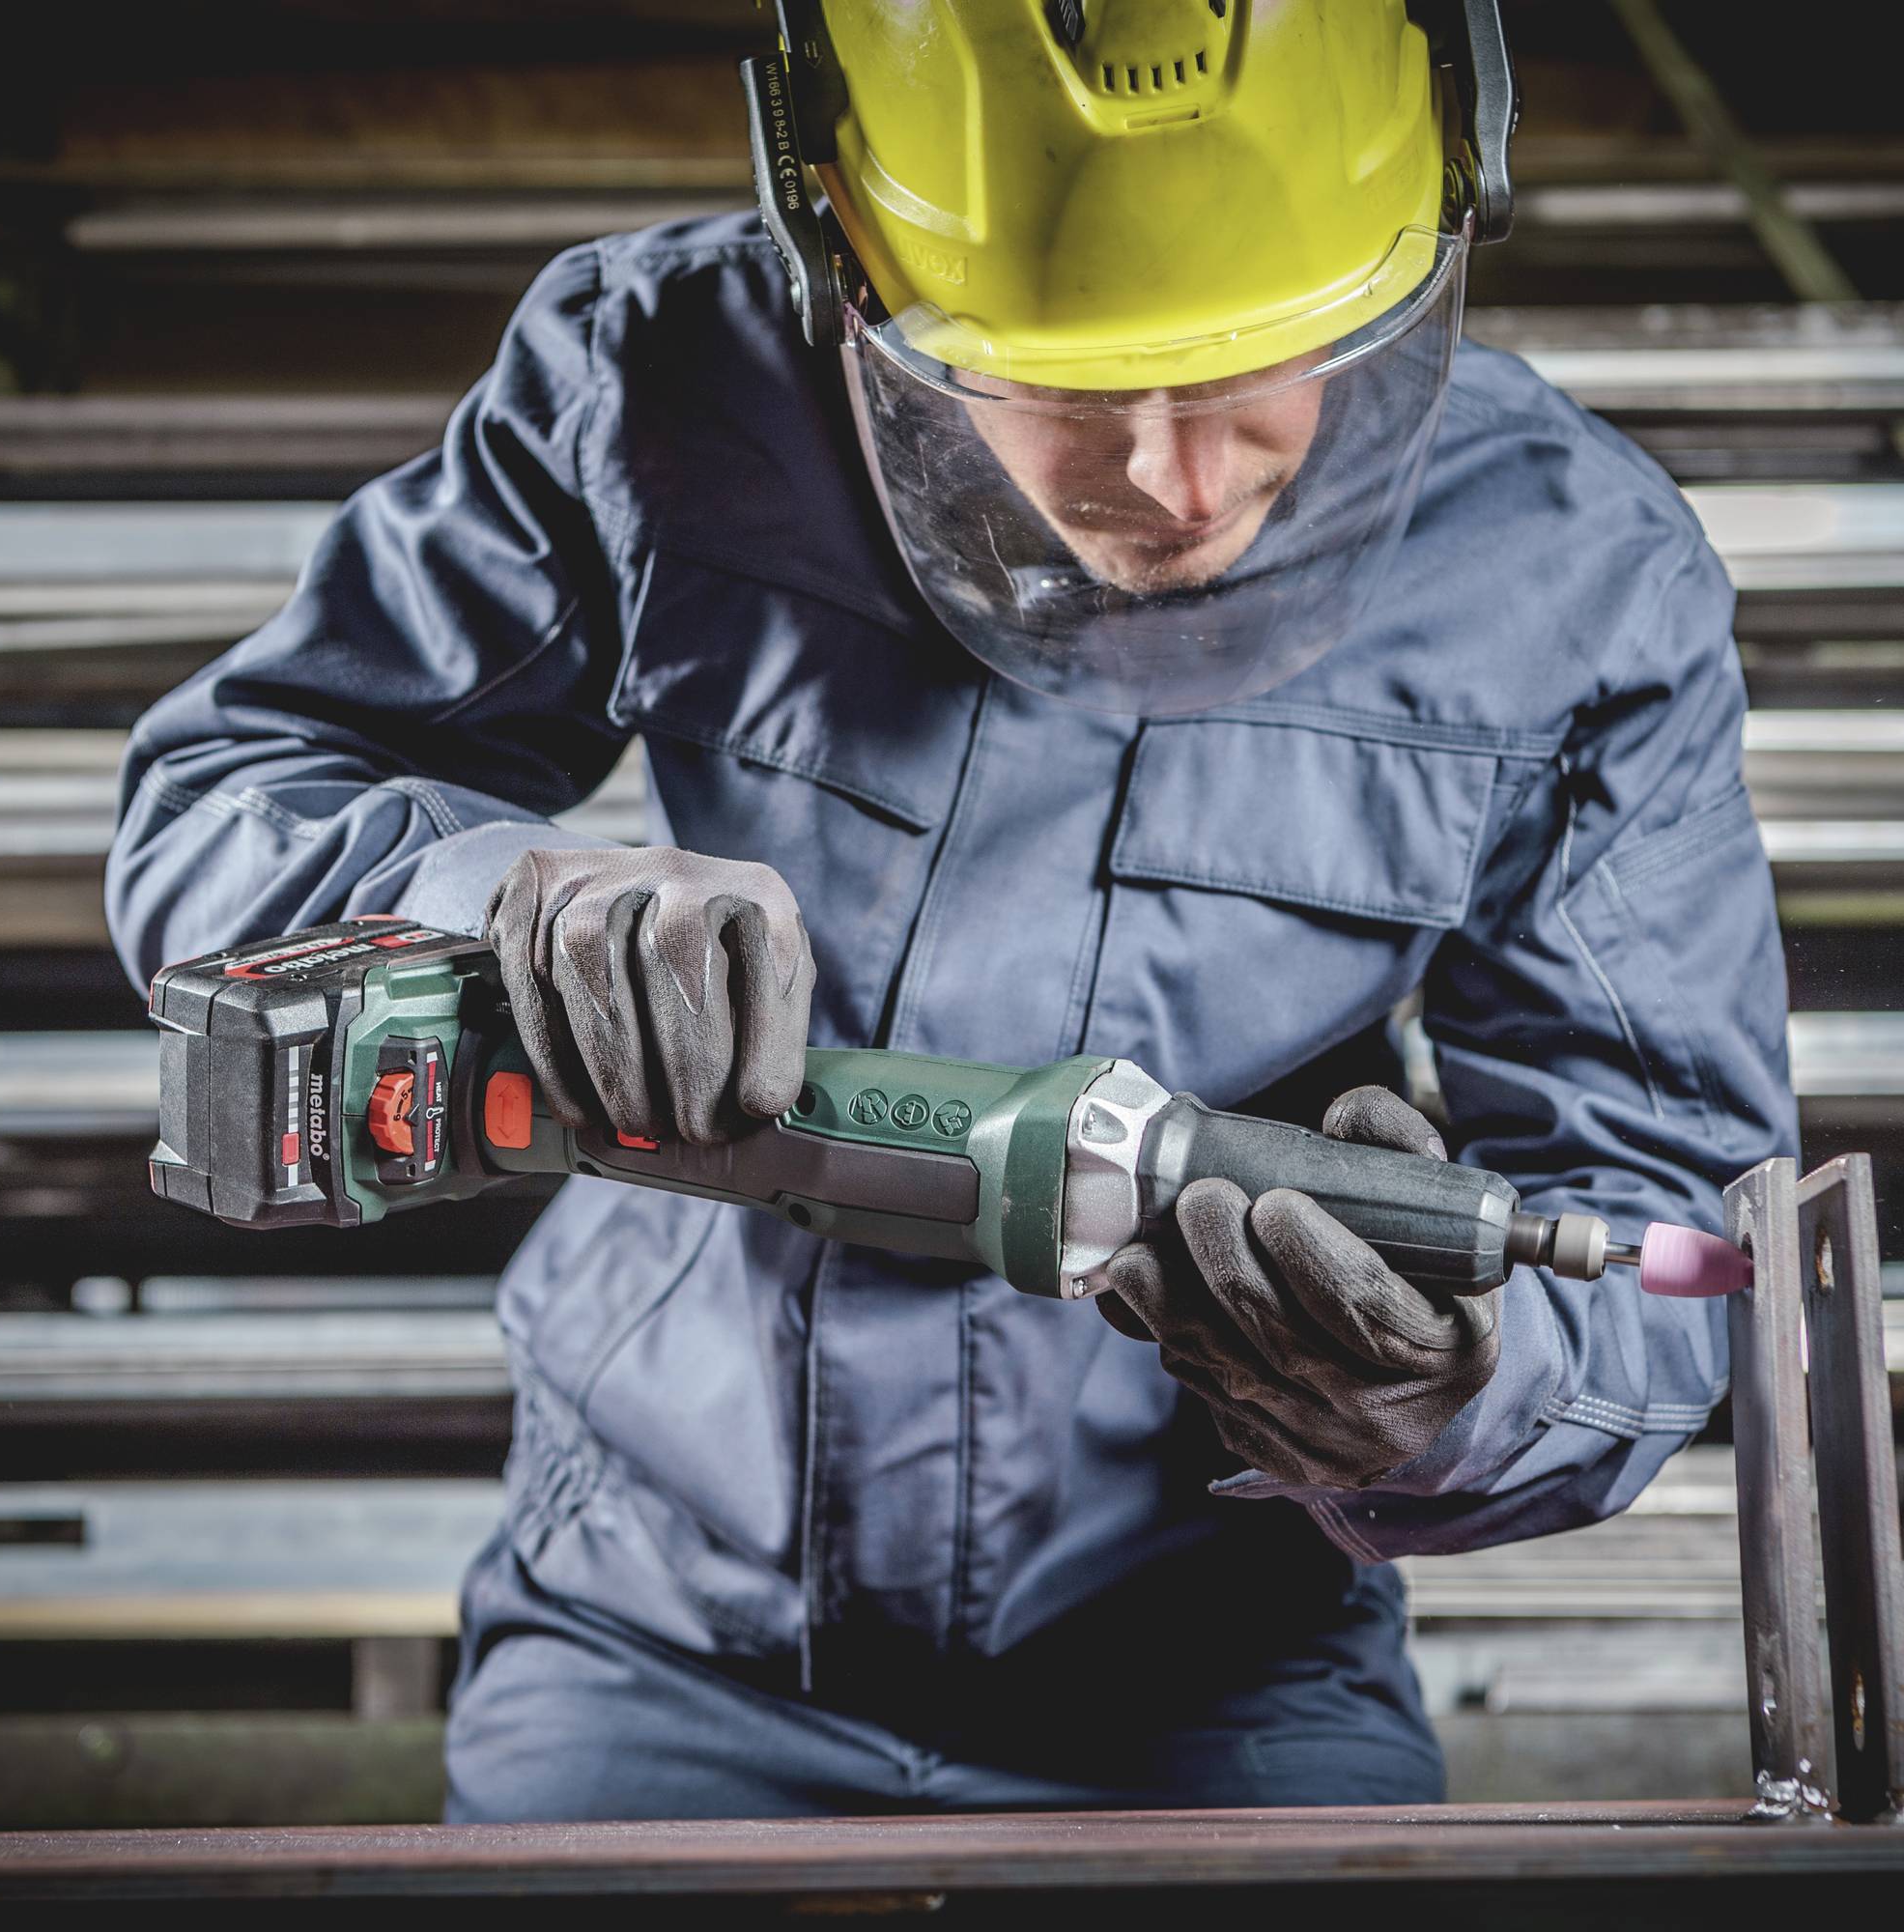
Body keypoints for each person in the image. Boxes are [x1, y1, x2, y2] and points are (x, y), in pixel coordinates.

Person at [106, 0, 1794, 1820]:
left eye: (1263, 366)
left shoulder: (1574, 580)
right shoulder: (658, 388)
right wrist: (505, 905)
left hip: (1219, 1659)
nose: (1174, 482)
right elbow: (220, 808)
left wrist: (1456, 1400)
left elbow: (1669, 1208)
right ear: (837, 237)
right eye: (1056, 381)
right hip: (664, 1621)